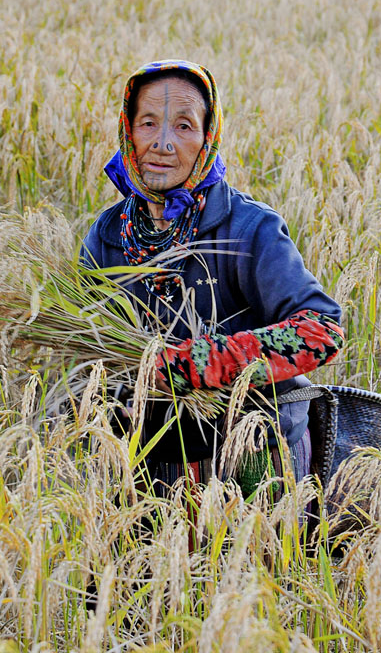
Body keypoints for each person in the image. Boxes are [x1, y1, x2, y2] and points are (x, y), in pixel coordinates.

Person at [80, 60, 345, 499]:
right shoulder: (109, 236)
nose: (163, 143)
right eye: (148, 123)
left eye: (184, 126)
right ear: (128, 132)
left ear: (208, 138)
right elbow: (87, 348)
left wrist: (199, 365)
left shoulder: (247, 229)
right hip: (147, 462)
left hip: (252, 458)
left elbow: (321, 330)